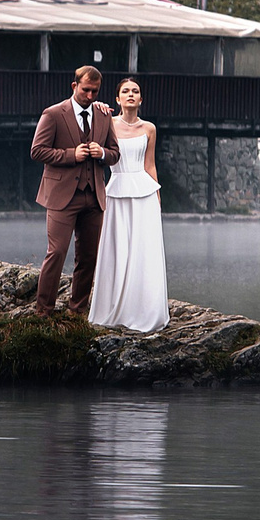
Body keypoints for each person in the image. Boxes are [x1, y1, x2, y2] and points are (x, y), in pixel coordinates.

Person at [30, 63, 117, 317]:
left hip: (95, 196)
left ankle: (77, 311)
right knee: (56, 252)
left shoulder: (104, 115)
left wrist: (102, 153)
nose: (90, 97)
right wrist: (71, 154)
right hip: (61, 197)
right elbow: (37, 151)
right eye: (86, 90)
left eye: (95, 92)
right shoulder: (54, 113)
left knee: (89, 257)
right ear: (74, 86)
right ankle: (43, 311)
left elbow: (115, 153)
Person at [87, 77, 169, 331]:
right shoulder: (108, 124)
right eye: (125, 91)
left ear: (141, 99)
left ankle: (145, 309)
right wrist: (98, 107)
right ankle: (113, 308)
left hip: (144, 192)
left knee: (144, 250)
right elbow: (86, 120)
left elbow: (150, 164)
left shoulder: (150, 128)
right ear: (118, 98)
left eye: (135, 91)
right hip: (117, 188)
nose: (131, 94)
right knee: (117, 248)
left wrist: (157, 196)